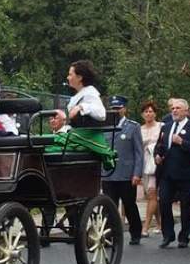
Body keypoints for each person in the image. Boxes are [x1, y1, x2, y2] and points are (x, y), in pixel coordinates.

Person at [45, 60, 116, 168]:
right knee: (46, 140)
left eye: (70, 74)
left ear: (79, 77)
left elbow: (102, 114)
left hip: (86, 139)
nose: (68, 77)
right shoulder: (80, 94)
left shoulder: (90, 93)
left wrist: (81, 107)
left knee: (48, 145)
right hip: (77, 136)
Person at [155, 99, 190, 248]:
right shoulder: (167, 127)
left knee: (187, 206)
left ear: (186, 111)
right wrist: (157, 155)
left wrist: (182, 142)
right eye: (173, 108)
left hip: (186, 174)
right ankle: (168, 235)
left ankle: (184, 235)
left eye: (178, 108)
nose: (174, 111)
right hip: (167, 173)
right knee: (163, 202)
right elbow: (160, 146)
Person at [102, 95, 144, 245]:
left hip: (126, 174)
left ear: (124, 109)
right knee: (108, 207)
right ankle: (108, 235)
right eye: (113, 108)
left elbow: (139, 152)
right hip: (108, 174)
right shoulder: (105, 126)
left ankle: (135, 233)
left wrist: (137, 173)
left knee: (129, 205)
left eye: (118, 108)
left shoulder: (133, 126)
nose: (116, 111)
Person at [139, 101, 163, 236]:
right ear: (142, 114)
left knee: (152, 194)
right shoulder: (139, 129)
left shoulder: (161, 126)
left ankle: (145, 227)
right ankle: (160, 224)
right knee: (151, 196)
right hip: (144, 164)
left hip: (157, 164)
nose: (148, 114)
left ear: (155, 113)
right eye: (146, 111)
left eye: (151, 111)